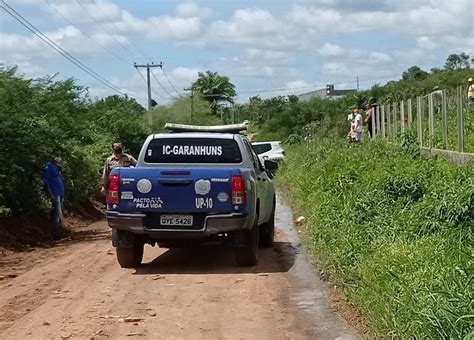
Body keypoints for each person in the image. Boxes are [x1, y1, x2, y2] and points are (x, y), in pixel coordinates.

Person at [43, 156, 65, 239]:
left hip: (60, 191)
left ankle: (57, 231)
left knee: (58, 213)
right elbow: (46, 181)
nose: (59, 158)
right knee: (57, 212)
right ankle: (54, 232)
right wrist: (50, 193)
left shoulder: (57, 167)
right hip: (54, 192)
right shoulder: (48, 167)